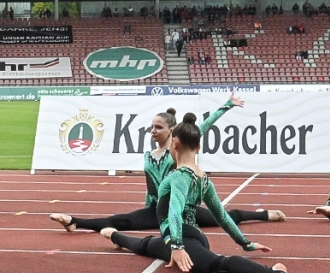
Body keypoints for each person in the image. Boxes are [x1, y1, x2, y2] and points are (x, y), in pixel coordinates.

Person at [100, 110, 306, 273]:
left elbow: (174, 211)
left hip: (182, 238)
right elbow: (222, 216)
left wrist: (178, 246)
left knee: (217, 265)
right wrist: (245, 243)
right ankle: (114, 235)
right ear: (198, 147)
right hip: (187, 236)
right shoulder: (203, 178)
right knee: (147, 246)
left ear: (174, 143)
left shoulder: (178, 176)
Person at [50, 97, 286, 235]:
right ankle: (74, 221)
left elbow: (205, 126)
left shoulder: (177, 150)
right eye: (152, 127)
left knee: (223, 216)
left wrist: (228, 105)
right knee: (122, 221)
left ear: (171, 131)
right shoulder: (148, 155)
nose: (153, 131)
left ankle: (263, 214)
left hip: (182, 211)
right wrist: (148, 208)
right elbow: (150, 187)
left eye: (158, 127)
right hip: (157, 210)